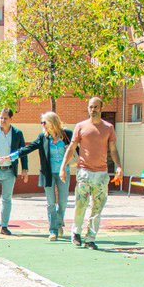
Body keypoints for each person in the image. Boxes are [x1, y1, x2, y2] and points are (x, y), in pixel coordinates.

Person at [60, 97, 122, 249]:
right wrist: (63, 167)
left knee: (97, 208)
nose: (93, 110)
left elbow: (113, 149)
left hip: (101, 174)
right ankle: (76, 232)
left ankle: (90, 238)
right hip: (84, 172)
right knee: (81, 204)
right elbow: (71, 148)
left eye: (95, 107)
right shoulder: (80, 126)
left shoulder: (108, 128)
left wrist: (119, 166)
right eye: (90, 107)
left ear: (101, 108)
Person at [13, 111, 73, 240]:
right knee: (51, 203)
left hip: (63, 173)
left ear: (53, 122)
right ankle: (53, 230)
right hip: (48, 173)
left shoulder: (67, 135)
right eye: (42, 122)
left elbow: (77, 150)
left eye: (44, 122)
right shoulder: (43, 137)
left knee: (62, 202)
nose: (42, 124)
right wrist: (12, 156)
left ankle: (58, 222)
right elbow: (28, 148)